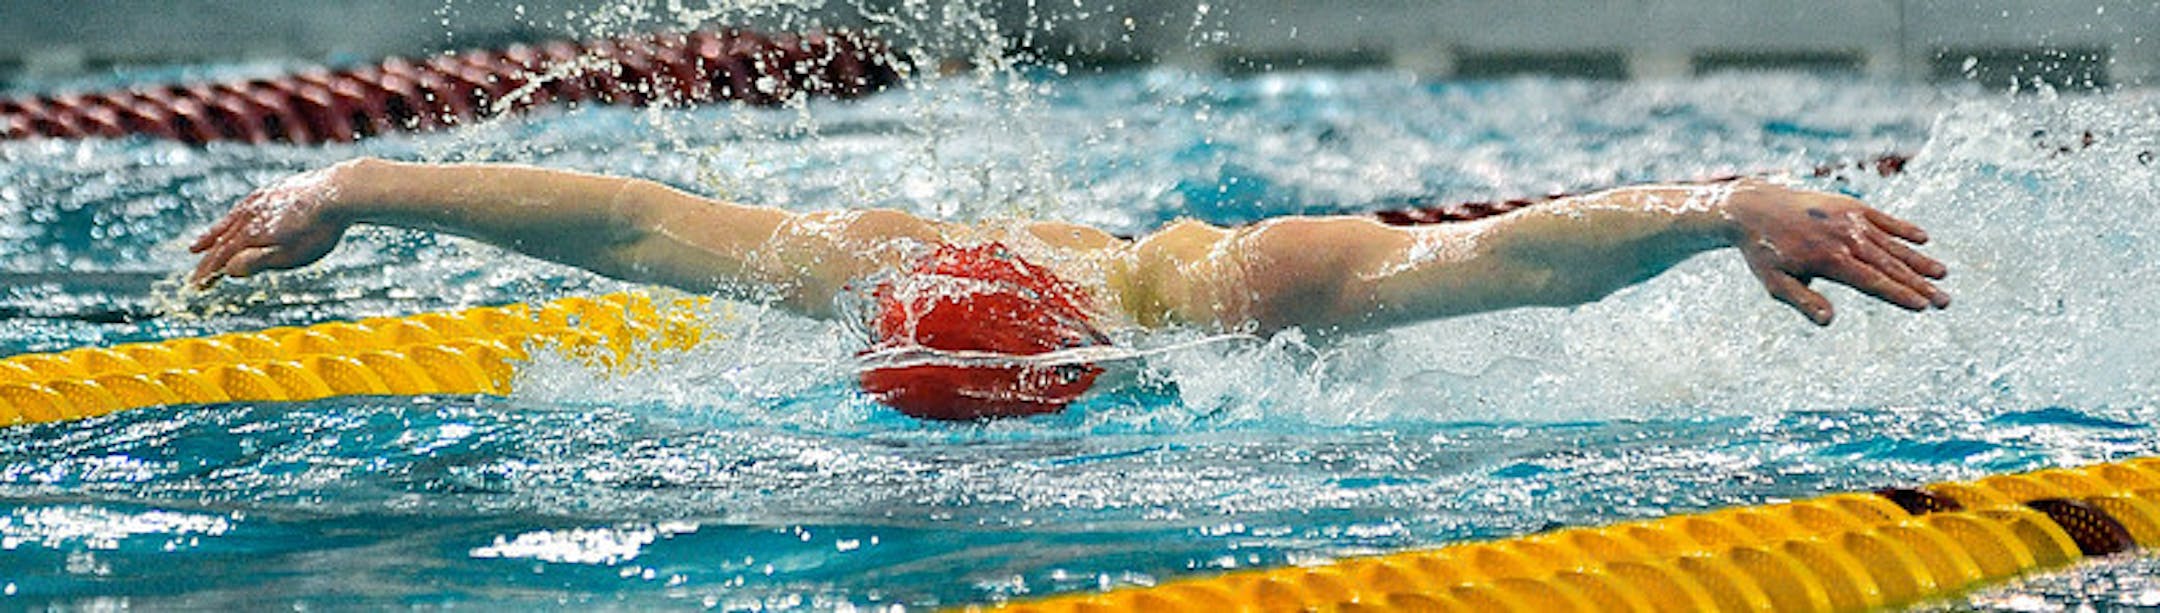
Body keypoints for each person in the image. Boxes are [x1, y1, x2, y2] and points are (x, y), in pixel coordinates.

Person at [188, 158, 1949, 419]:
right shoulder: (869, 274)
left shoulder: (1228, 287)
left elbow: (1514, 258)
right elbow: (632, 223)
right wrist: (349, 188)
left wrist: (1723, 205)